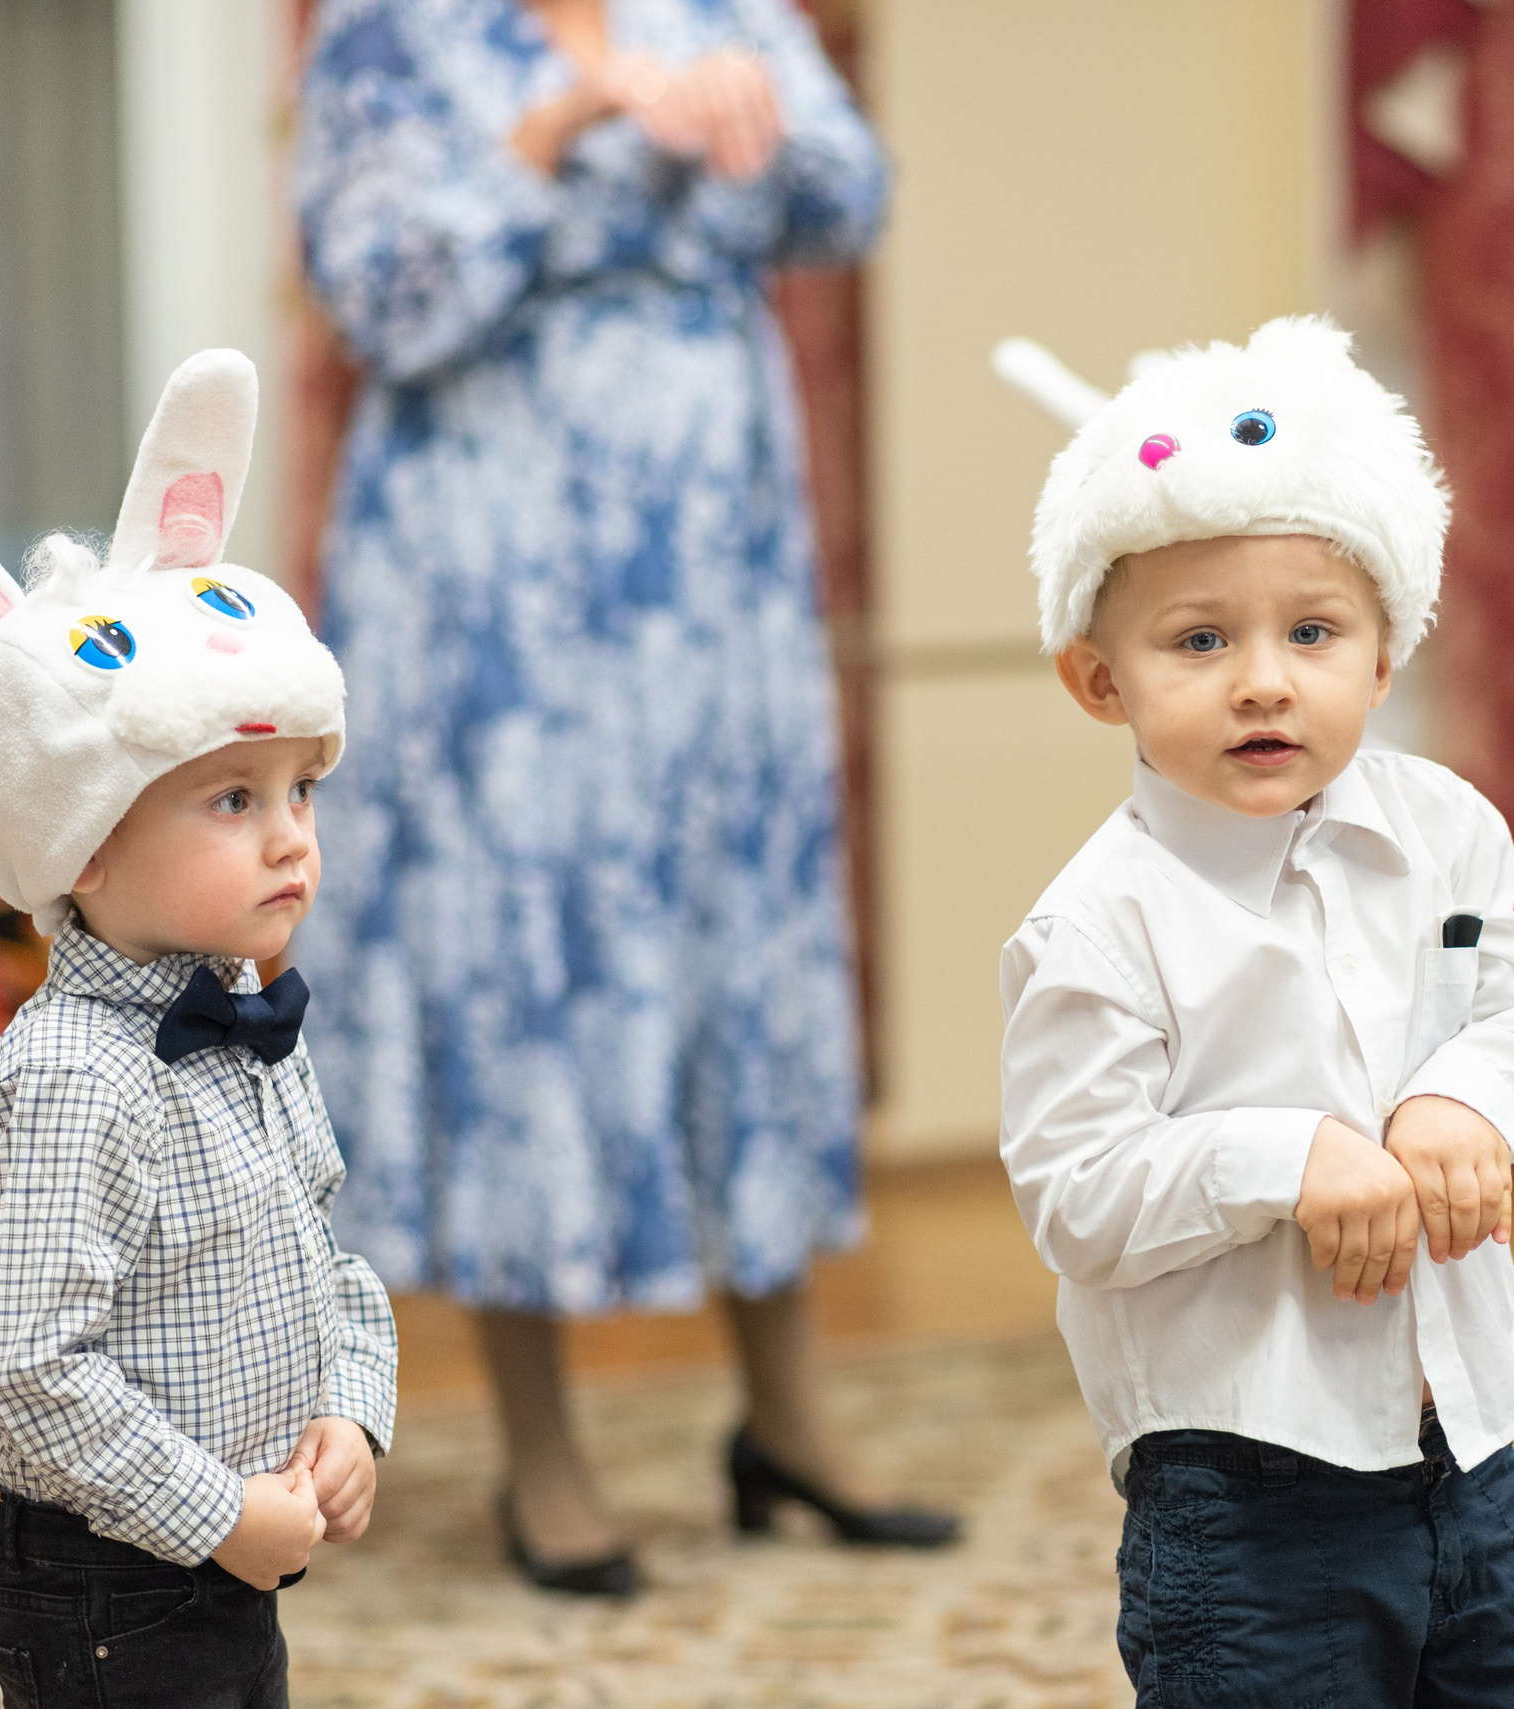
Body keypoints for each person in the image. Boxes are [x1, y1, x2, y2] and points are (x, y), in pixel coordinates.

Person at [291, 0, 953, 1598]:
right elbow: (379, 295)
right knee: (519, 962)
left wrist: (770, 120)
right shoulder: (389, 35)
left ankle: (788, 1417)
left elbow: (851, 205)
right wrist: (551, 137)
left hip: (713, 566)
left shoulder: (725, 13)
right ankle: (546, 1456)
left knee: (743, 938)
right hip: (485, 582)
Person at [0, 351, 398, 1708]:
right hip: (102, 1581)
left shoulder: (244, 1031)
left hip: (224, 1560)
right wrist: (216, 1512)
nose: (292, 834)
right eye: (232, 799)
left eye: (300, 788)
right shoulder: (65, 1081)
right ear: (85, 846)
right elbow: (33, 1371)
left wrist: (351, 1411)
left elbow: (331, 1261)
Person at [999, 316, 1514, 1707]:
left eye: (1313, 632)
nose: (1264, 678)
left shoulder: (1444, 829)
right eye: (1200, 639)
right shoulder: (1098, 926)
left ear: (1385, 656)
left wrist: (1467, 1093)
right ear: (1102, 680)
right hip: (1243, 1499)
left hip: (1474, 1454)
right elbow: (1075, 1194)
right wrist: (1290, 1155)